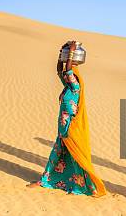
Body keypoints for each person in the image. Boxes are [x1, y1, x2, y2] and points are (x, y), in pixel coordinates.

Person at [27, 41, 106, 197]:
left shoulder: (76, 86)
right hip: (62, 127)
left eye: (71, 76)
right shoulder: (68, 87)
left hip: (71, 126)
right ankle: (45, 180)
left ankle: (80, 188)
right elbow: (60, 70)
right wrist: (61, 53)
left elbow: (68, 70)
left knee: (75, 156)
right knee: (57, 154)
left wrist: (70, 52)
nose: (68, 76)